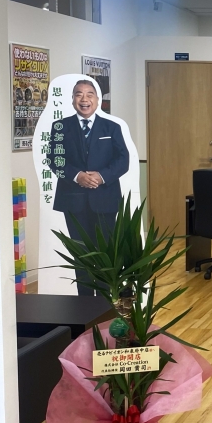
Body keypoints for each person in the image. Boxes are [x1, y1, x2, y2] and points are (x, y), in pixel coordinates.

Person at [50, 79, 130, 295]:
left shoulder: (112, 127)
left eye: (89, 94)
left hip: (105, 199)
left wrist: (101, 177)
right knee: (81, 255)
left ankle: (105, 303)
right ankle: (84, 305)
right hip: (73, 202)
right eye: (79, 94)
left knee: (106, 255)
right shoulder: (60, 127)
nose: (84, 99)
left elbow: (123, 160)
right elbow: (55, 159)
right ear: (72, 100)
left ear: (98, 100)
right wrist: (78, 176)